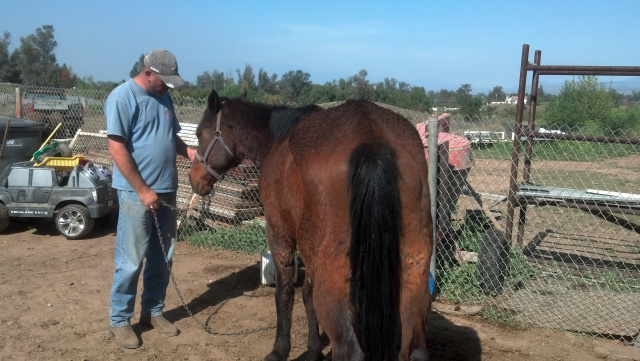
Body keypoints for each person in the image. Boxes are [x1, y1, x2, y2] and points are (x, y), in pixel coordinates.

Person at [105, 49, 196, 349]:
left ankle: (153, 311)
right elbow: (117, 149)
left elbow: (171, 136)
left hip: (166, 190)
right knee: (131, 260)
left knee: (162, 256)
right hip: (136, 194)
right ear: (148, 73)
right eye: (164, 81)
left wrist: (192, 153)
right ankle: (120, 320)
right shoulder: (122, 97)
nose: (169, 87)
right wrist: (144, 191)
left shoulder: (164, 97)